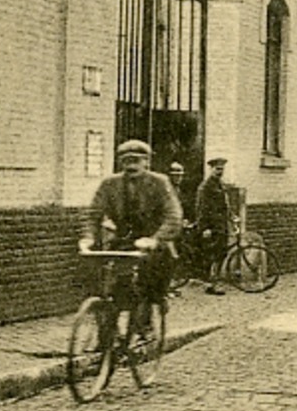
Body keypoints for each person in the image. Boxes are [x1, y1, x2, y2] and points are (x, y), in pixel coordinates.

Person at [80, 139, 182, 325]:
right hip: (124, 241)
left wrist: (155, 239)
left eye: (136, 160)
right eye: (127, 161)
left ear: (146, 162)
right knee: (109, 288)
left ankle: (149, 316)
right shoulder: (109, 184)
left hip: (154, 242)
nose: (131, 166)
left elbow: (173, 216)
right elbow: (93, 214)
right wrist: (88, 237)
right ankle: (107, 341)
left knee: (149, 284)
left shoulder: (160, 182)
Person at [193, 156, 231, 295]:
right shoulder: (206, 186)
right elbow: (202, 208)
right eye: (217, 169)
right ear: (211, 169)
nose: (220, 171)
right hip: (212, 226)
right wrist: (205, 227)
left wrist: (232, 217)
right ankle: (210, 284)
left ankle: (215, 281)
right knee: (211, 255)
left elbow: (225, 205)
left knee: (221, 253)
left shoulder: (220, 184)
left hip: (221, 225)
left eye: (222, 169)